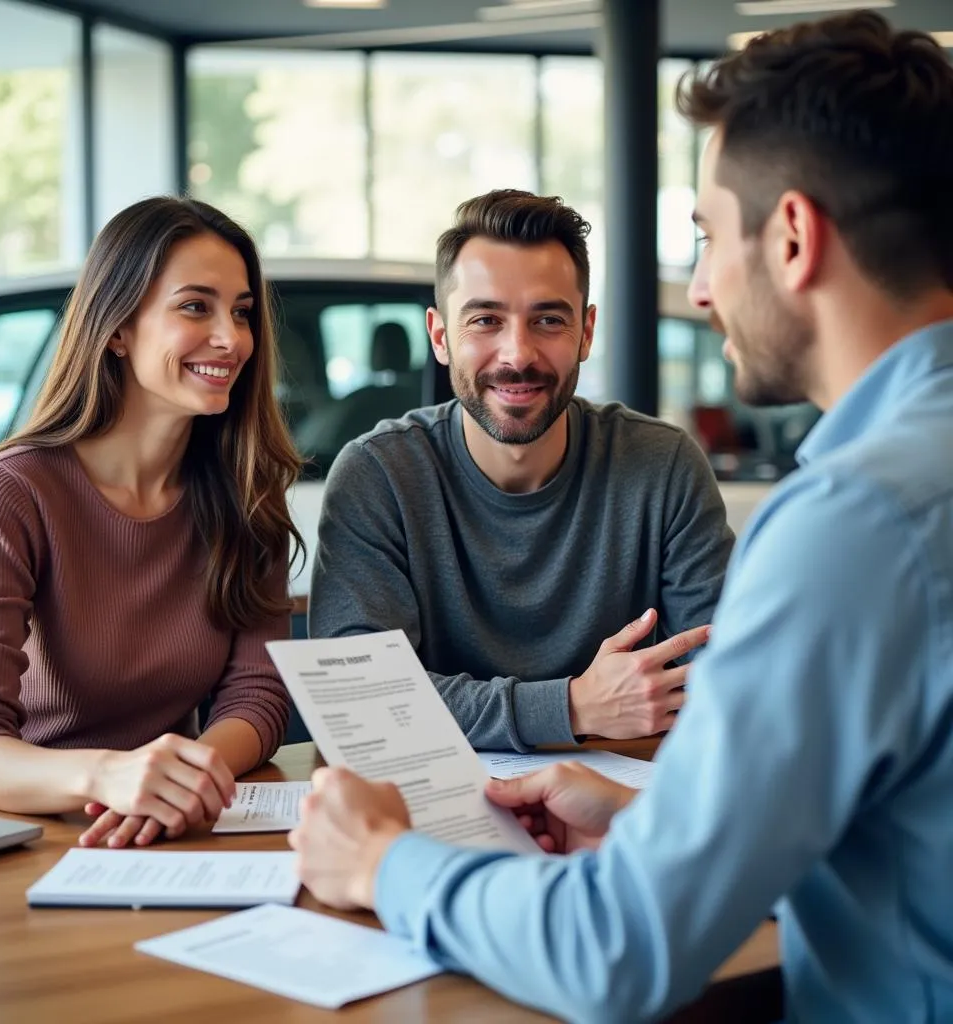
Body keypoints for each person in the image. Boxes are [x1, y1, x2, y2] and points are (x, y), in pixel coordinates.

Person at [289, 12, 953, 1021]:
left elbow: (618, 950)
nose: (697, 290)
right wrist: (654, 813)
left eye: (704, 238)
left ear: (789, 237)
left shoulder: (852, 523)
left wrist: (383, 863)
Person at [0, 197, 303, 850]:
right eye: (196, 306)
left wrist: (187, 776)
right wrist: (113, 776)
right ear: (118, 328)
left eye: (241, 312)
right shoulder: (15, 489)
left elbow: (258, 698)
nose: (232, 338)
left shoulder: (246, 490)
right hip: (48, 831)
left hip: (175, 828)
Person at [309, 189, 733, 751]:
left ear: (586, 331)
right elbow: (362, 700)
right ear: (440, 336)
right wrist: (573, 707)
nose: (517, 354)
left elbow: (727, 678)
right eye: (485, 319)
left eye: (548, 320)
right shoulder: (378, 475)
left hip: (624, 810)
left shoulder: (664, 467)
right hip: (435, 814)